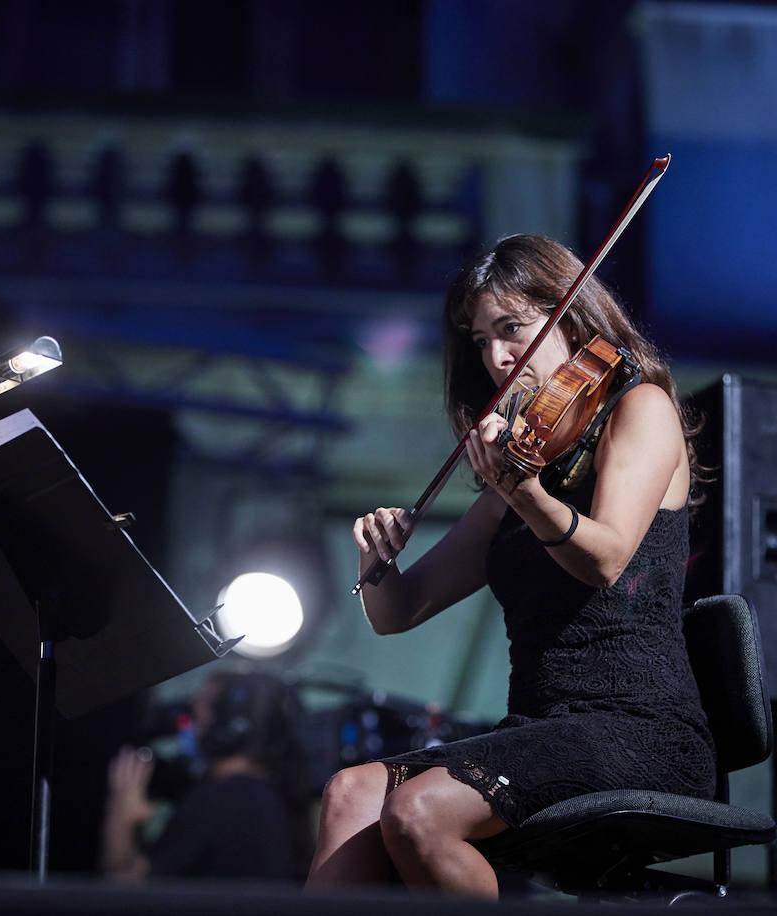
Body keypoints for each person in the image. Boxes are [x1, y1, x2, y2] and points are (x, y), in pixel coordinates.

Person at [306, 234, 716, 898]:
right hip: (539, 733)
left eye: (512, 329)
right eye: (479, 339)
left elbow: (607, 559)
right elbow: (399, 612)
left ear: (571, 316)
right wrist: (376, 566)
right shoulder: (526, 463)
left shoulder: (641, 409)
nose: (496, 356)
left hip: (639, 729)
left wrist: (522, 493)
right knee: (350, 795)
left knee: (418, 813)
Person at [101, 670, 313, 883]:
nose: (189, 724)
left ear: (229, 727)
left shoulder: (228, 797)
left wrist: (121, 818)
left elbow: (129, 887)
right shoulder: (260, 794)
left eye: (198, 712)